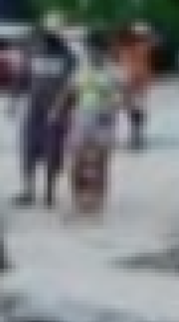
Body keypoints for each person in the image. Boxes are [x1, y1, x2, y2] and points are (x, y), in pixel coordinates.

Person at [15, 24, 79, 209]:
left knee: (53, 151)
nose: (41, 42)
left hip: (57, 111)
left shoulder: (68, 58)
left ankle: (49, 192)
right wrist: (14, 99)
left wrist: (66, 107)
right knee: (28, 148)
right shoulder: (33, 55)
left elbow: (72, 85)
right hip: (34, 109)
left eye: (44, 38)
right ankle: (28, 190)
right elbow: (23, 78)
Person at [69, 38, 130, 216]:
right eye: (90, 50)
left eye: (97, 50)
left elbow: (125, 95)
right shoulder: (81, 69)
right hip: (82, 117)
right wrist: (57, 111)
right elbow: (71, 92)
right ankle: (78, 198)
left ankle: (98, 200)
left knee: (101, 163)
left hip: (105, 119)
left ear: (105, 51)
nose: (94, 54)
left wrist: (115, 106)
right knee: (77, 162)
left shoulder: (115, 71)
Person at [118, 24, 161, 152]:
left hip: (136, 81)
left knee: (135, 108)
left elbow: (157, 41)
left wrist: (146, 33)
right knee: (132, 108)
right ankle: (136, 134)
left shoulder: (137, 46)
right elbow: (157, 40)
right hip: (131, 81)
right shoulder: (130, 47)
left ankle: (136, 135)